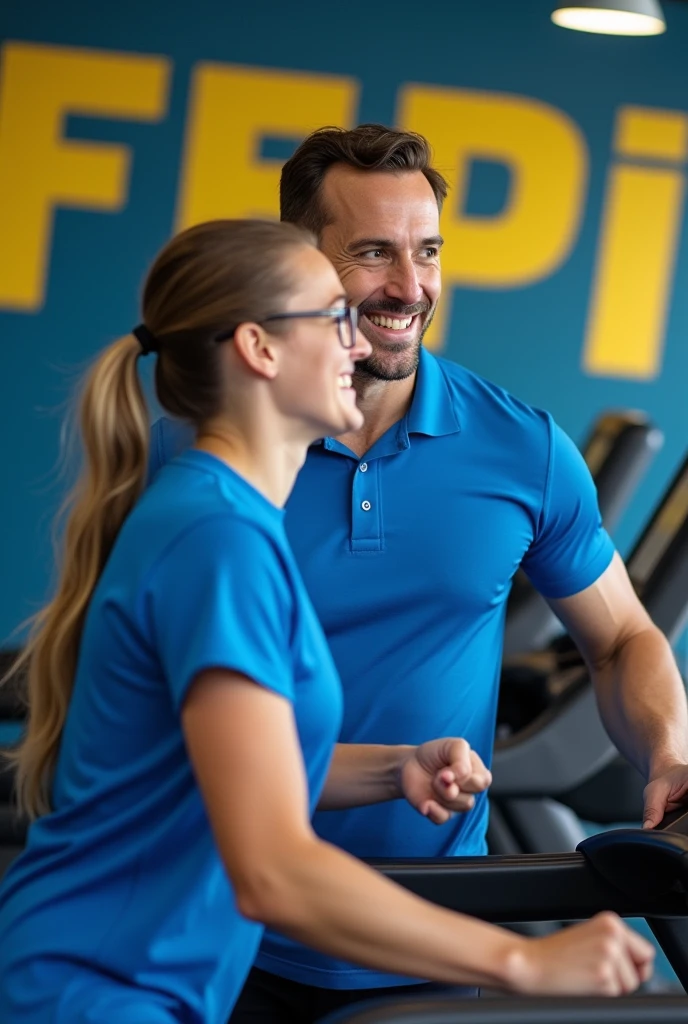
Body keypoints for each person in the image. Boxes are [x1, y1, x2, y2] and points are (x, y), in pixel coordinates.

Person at [0, 219, 654, 1023]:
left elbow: (234, 764)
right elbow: (273, 870)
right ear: (259, 349)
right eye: (331, 317)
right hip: (99, 989)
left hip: (134, 976)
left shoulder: (228, 520)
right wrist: (524, 959)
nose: (358, 343)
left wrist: (396, 768)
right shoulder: (220, 542)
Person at [148, 127, 688, 1023]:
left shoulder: (521, 449)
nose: (409, 287)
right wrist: (526, 959)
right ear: (300, 262)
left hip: (426, 933)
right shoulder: (213, 453)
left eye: (427, 251)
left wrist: (669, 749)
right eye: (371, 253)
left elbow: (624, 636)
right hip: (212, 928)